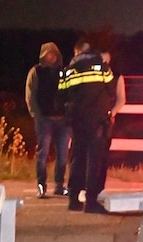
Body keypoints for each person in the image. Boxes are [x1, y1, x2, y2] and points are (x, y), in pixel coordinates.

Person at [59, 37, 115, 214]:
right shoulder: (100, 66)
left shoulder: (68, 70)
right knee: (94, 161)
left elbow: (61, 96)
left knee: (77, 159)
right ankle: (91, 201)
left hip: (77, 120)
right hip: (97, 119)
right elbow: (111, 90)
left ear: (77, 52)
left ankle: (73, 199)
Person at [25, 42, 70, 199]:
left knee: (63, 155)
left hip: (63, 121)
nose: (51, 57)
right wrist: (36, 115)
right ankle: (41, 186)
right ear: (43, 55)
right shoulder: (36, 72)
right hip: (44, 120)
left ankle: (59, 185)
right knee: (42, 154)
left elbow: (69, 93)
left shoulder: (64, 72)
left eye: (54, 54)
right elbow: (30, 94)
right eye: (48, 54)